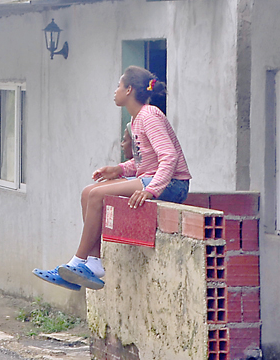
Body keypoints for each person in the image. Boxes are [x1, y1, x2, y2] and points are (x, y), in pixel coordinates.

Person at [34, 66, 191, 291]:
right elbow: (144, 162)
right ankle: (93, 262)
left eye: (119, 86)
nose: (115, 91)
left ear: (129, 90)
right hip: (153, 178)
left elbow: (169, 156)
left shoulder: (149, 116)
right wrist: (118, 170)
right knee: (89, 192)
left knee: (98, 194)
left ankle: (76, 262)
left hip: (173, 185)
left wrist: (151, 190)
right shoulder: (137, 119)